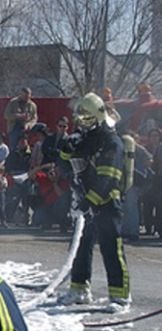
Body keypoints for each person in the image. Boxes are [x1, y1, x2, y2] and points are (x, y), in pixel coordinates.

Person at [59, 92, 131, 308]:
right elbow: (67, 168)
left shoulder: (112, 142)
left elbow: (107, 178)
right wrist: (65, 151)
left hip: (107, 202)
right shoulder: (87, 139)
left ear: (98, 116)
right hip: (85, 201)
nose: (81, 122)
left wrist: (89, 201)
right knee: (80, 247)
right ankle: (79, 290)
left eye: (86, 117)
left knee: (111, 249)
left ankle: (120, 296)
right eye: (79, 117)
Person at [4, 87, 38, 153]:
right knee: (13, 147)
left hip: (26, 128)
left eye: (28, 96)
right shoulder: (13, 102)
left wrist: (29, 125)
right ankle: (13, 158)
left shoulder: (32, 105)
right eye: (24, 96)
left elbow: (34, 118)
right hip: (14, 127)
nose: (26, 98)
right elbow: (6, 115)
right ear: (21, 95)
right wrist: (18, 116)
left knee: (25, 147)